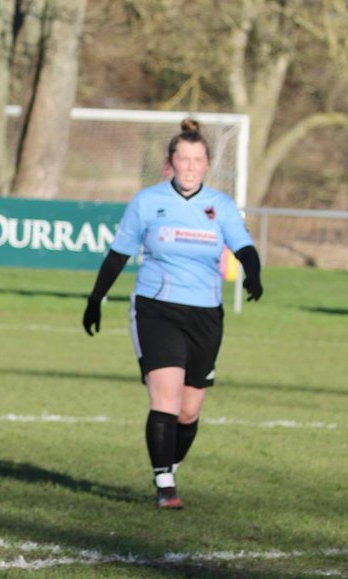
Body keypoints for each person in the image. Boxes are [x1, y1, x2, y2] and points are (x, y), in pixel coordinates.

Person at [83, 119, 262, 510]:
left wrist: (254, 275)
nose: (191, 166)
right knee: (164, 399)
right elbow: (118, 254)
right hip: (156, 309)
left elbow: (244, 247)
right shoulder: (147, 202)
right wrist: (96, 298)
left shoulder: (221, 205)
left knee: (189, 409)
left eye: (198, 159)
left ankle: (170, 463)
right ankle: (164, 484)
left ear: (207, 163)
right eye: (184, 158)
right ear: (171, 162)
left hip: (206, 316)